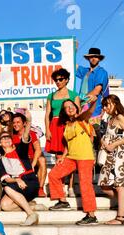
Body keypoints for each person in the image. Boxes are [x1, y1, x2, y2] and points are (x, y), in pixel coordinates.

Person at [48, 99, 98, 225]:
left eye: (71, 106)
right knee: (53, 174)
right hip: (71, 157)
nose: (69, 108)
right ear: (64, 111)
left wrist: (93, 102)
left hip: (85, 156)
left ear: (76, 107)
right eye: (66, 107)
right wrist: (63, 156)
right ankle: (63, 201)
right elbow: (68, 144)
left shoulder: (82, 119)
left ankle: (91, 215)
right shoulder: (67, 124)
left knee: (85, 184)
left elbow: (90, 111)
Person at [0, 111, 39, 226]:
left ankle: (31, 214)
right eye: (3, 138)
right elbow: (7, 179)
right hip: (16, 184)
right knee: (5, 205)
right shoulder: (0, 162)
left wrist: (28, 122)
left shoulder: (19, 150)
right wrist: (17, 180)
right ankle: (31, 205)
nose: (6, 139)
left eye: (8, 137)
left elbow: (25, 137)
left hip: (29, 182)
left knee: (8, 188)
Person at [98, 95, 124, 225]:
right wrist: (103, 141)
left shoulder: (120, 117)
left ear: (114, 104)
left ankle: (121, 217)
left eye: (107, 105)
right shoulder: (110, 118)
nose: (105, 107)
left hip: (118, 154)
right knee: (104, 185)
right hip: (108, 154)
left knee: (119, 185)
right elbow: (108, 134)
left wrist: (114, 144)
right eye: (104, 105)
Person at [45, 68, 79, 197]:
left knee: (69, 157)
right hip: (55, 126)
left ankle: (70, 186)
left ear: (66, 80)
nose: (58, 82)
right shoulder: (51, 95)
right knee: (58, 158)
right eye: (56, 80)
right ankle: (60, 186)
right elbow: (47, 114)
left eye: (60, 79)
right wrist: (47, 129)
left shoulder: (73, 95)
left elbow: (77, 113)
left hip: (68, 125)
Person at [76, 47, 109, 150]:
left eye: (96, 57)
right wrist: (73, 50)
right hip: (82, 109)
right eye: (91, 57)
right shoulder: (85, 71)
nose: (93, 58)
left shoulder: (101, 72)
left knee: (94, 138)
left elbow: (97, 90)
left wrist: (80, 100)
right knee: (83, 138)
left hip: (94, 110)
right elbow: (71, 63)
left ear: (99, 59)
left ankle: (97, 164)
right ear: (88, 58)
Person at [11, 113, 47, 197]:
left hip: (32, 159)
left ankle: (40, 188)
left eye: (18, 122)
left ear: (24, 123)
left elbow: (38, 149)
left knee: (42, 160)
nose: (15, 124)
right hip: (21, 161)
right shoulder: (12, 136)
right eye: (14, 123)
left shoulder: (32, 133)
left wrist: (33, 164)